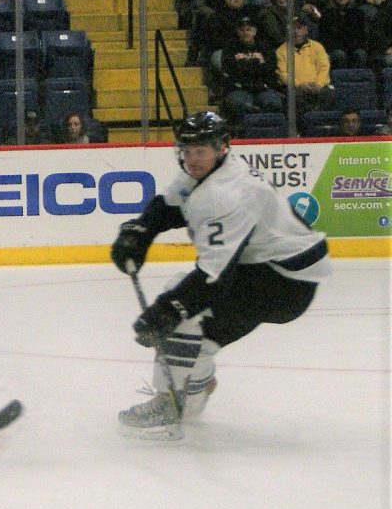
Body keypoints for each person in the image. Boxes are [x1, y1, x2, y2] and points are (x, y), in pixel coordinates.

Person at [110, 111, 331, 438]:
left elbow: (213, 278)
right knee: (195, 324)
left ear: (222, 148)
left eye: (200, 151)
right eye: (186, 151)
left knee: (184, 311)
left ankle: (174, 402)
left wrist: (165, 312)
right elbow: (169, 205)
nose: (192, 159)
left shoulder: (226, 194)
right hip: (271, 268)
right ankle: (193, 388)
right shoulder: (205, 173)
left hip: (284, 282)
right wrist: (139, 232)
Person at [219, 15, 284, 127]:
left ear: (255, 31)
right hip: (239, 88)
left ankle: (268, 132)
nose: (245, 33)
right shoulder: (230, 48)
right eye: (242, 30)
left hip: (263, 87)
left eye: (248, 29)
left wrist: (244, 64)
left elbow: (270, 69)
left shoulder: (265, 47)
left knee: (273, 102)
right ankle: (242, 132)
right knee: (238, 103)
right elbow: (231, 70)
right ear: (238, 32)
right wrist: (256, 65)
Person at [275, 16, 336, 115]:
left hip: (317, 85)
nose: (295, 32)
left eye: (299, 28)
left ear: (306, 30)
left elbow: (324, 68)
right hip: (296, 87)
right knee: (293, 95)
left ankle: (319, 120)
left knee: (330, 93)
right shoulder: (281, 51)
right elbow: (283, 75)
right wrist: (300, 84)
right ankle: (305, 123)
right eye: (292, 28)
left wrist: (319, 84)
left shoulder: (317, 46)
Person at [315, 0, 368, 69]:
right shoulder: (327, 14)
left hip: (353, 47)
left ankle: (357, 79)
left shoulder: (358, 13)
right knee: (340, 55)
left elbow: (361, 36)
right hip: (335, 48)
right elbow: (325, 37)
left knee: (360, 54)